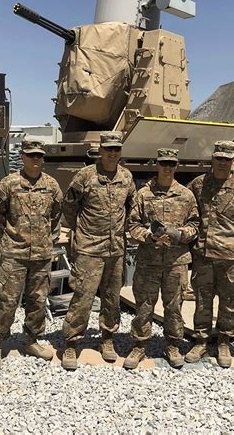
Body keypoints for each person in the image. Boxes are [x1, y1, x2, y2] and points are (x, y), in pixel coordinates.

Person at [61, 131, 136, 370]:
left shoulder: (126, 177)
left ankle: (107, 338)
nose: (112, 153)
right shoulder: (85, 176)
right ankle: (72, 342)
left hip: (116, 249)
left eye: (116, 150)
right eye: (108, 149)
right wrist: (80, 232)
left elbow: (132, 207)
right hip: (89, 248)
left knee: (112, 298)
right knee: (83, 296)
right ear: (101, 150)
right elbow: (69, 206)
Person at [0, 140, 63, 371]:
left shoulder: (51, 185)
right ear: (23, 157)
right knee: (7, 300)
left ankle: (32, 340)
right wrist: (8, 236)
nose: (35, 159)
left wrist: (51, 238)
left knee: (38, 300)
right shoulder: (9, 183)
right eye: (31, 155)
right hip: (14, 254)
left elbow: (57, 214)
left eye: (39, 155)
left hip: (41, 253)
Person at [185, 141, 234, 367]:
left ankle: (225, 341)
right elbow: (185, 212)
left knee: (228, 303)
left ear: (233, 162)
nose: (222, 163)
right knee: (202, 301)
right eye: (219, 158)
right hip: (203, 256)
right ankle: (201, 341)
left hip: (230, 257)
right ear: (212, 159)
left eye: (227, 159)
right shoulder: (198, 185)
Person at [124, 149, 199, 369]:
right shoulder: (143, 195)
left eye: (172, 164)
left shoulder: (186, 195)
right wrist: (148, 237)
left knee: (174, 305)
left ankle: (172, 345)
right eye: (164, 163)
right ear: (157, 164)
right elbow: (132, 225)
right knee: (144, 305)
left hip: (176, 261)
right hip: (149, 260)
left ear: (176, 166)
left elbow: (195, 225)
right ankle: (139, 346)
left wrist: (180, 234)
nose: (168, 167)